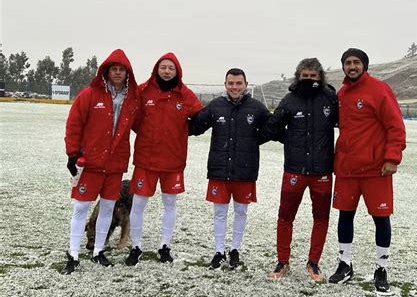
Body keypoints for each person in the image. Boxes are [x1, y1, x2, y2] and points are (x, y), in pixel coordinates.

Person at [329, 48, 406, 294]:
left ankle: (381, 268)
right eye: (348, 63)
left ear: (365, 65)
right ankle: (345, 264)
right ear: (343, 67)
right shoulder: (340, 94)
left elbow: (395, 126)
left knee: (380, 218)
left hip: (375, 170)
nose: (352, 66)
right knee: (345, 216)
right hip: (347, 169)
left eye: (356, 62)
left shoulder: (379, 89)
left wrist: (392, 158)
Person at [62, 49, 139, 274]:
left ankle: (98, 251)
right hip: (92, 164)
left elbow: (146, 125)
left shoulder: (132, 100)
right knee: (81, 208)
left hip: (115, 165)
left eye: (121, 70)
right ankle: (73, 253)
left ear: (127, 74)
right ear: (106, 72)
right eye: (113, 69)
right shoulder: (89, 95)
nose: (117, 73)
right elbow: (74, 124)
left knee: (107, 208)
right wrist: (72, 154)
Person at [262, 58, 338, 281]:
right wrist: (288, 138)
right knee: (285, 217)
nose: (309, 80)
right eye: (305, 76)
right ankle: (282, 262)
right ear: (298, 76)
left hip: (322, 172)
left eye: (313, 77)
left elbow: (349, 123)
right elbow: (271, 127)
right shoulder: (290, 99)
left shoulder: (330, 99)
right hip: (294, 170)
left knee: (321, 218)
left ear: (320, 77)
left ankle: (313, 264)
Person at [125, 52, 203, 266]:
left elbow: (200, 117)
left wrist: (182, 132)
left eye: (171, 68)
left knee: (170, 203)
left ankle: (164, 246)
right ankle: (136, 246)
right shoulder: (143, 91)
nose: (167, 71)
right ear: (156, 69)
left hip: (173, 161)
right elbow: (134, 119)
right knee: (138, 203)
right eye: (163, 67)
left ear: (177, 71)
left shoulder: (185, 94)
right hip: (146, 159)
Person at [190, 68, 270, 270]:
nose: (234, 87)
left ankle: (235, 249)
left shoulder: (257, 108)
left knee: (241, 212)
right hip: (219, 169)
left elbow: (273, 129)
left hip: (245, 170)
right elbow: (195, 128)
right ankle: (218, 251)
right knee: (219, 212)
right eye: (231, 83)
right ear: (225, 85)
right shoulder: (216, 106)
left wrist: (254, 141)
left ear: (245, 84)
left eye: (238, 83)